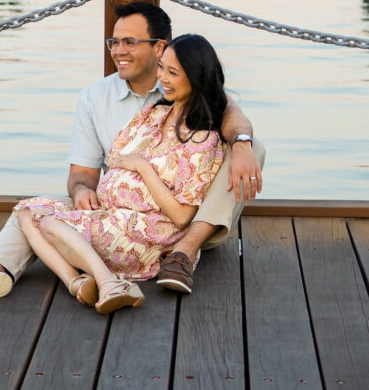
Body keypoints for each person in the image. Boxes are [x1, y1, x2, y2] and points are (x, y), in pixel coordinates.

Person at [0, 2, 264, 301]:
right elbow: (81, 174)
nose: (118, 51)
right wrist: (82, 192)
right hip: (113, 210)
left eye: (130, 42)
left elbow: (227, 110)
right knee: (33, 208)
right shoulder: (97, 98)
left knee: (250, 144)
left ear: (159, 47)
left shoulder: (182, 83)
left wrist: (243, 144)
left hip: (167, 221)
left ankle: (184, 251)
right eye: (114, 41)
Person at [14, 33, 227, 313]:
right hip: (111, 214)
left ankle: (107, 281)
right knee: (26, 212)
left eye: (173, 72)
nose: (163, 77)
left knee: (52, 225)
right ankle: (76, 283)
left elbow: (181, 215)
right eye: (162, 67)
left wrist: (143, 167)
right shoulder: (153, 114)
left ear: (196, 78)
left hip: (147, 232)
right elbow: (117, 157)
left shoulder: (201, 139)